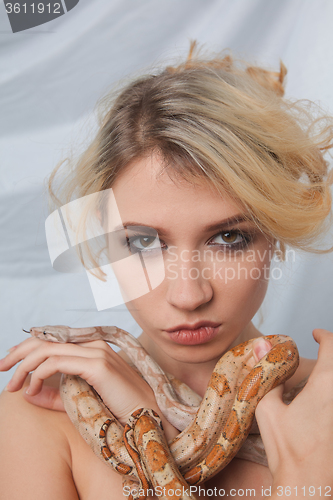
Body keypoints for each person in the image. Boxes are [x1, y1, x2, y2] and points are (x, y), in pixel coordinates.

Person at [1, 44, 333, 499]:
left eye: (228, 238)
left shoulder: (327, 407)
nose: (188, 295)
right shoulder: (38, 417)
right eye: (142, 243)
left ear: (273, 233)